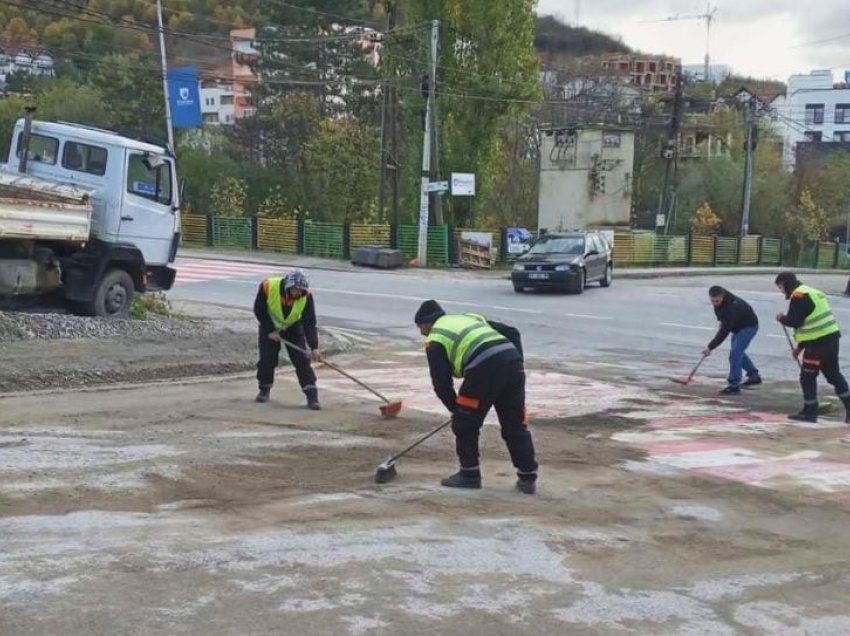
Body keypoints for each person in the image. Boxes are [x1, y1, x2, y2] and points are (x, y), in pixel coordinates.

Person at [414, 300, 539, 494]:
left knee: (465, 424)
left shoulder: (435, 338)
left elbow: (441, 384)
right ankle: (528, 477)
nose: (420, 332)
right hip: (511, 363)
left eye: (419, 327)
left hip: (483, 368)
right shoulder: (469, 318)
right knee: (514, 424)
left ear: (426, 323)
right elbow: (513, 332)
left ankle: (469, 475)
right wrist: (518, 363)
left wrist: (457, 411)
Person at [775, 271, 850, 423]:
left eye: (780, 287)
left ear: (784, 284)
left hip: (817, 345)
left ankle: (810, 412)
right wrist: (799, 348)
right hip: (830, 340)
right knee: (834, 375)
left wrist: (782, 318)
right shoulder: (813, 292)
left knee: (807, 377)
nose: (781, 291)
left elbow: (796, 321)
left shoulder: (798, 296)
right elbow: (811, 323)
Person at [253, 269, 323, 410]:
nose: (297, 293)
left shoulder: (306, 297)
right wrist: (271, 330)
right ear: (288, 286)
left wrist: (314, 347)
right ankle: (264, 388)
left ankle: (312, 396)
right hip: (269, 327)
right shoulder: (268, 286)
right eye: (295, 290)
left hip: (293, 327)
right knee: (267, 359)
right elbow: (259, 309)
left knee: (302, 360)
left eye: (300, 290)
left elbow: (309, 323)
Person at [702, 286, 761, 394]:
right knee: (738, 352)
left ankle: (734, 385)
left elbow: (725, 331)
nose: (715, 303)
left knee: (735, 353)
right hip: (737, 326)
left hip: (748, 327)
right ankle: (754, 375)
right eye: (712, 301)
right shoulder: (720, 303)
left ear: (722, 296)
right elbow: (723, 322)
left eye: (717, 300)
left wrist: (710, 346)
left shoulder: (731, 307)